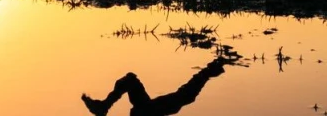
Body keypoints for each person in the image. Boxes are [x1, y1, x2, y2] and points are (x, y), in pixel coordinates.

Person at [80, 58, 228, 116]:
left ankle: (104, 105)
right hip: (148, 112)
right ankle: (104, 105)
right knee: (183, 97)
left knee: (131, 80)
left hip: (145, 111)